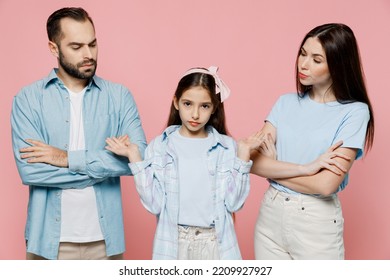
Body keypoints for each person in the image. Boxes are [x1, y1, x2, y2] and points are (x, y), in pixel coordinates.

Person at [11, 7, 147, 260]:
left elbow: (139, 160)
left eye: (92, 44)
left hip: (105, 242)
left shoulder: (118, 97)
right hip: (48, 242)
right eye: (76, 47)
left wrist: (65, 158)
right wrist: (100, 170)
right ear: (54, 48)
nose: (88, 55)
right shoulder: (28, 100)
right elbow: (31, 170)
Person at [105, 66, 260, 259]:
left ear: (214, 108)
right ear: (176, 102)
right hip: (174, 245)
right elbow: (155, 204)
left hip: (215, 245)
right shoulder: (160, 147)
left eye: (204, 106)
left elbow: (234, 203)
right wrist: (135, 157)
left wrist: (243, 157)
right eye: (188, 104)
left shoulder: (226, 148)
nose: (195, 114)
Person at [249, 23, 375, 259]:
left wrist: (273, 169)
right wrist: (306, 169)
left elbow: (325, 184)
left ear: (338, 65)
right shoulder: (285, 103)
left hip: (315, 222)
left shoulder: (355, 112)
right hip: (270, 217)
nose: (303, 64)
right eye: (303, 54)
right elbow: (251, 162)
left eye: (317, 59)